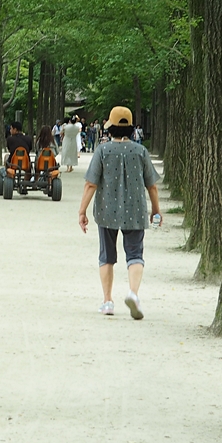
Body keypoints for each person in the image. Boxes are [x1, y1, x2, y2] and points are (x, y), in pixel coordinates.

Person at [77, 106, 161, 319]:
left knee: (106, 255)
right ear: (131, 128)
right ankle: (133, 294)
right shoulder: (140, 151)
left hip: (107, 210)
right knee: (135, 255)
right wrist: (156, 210)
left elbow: (91, 184)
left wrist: (82, 211)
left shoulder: (103, 151)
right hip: (135, 210)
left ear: (110, 127)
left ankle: (107, 302)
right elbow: (152, 185)